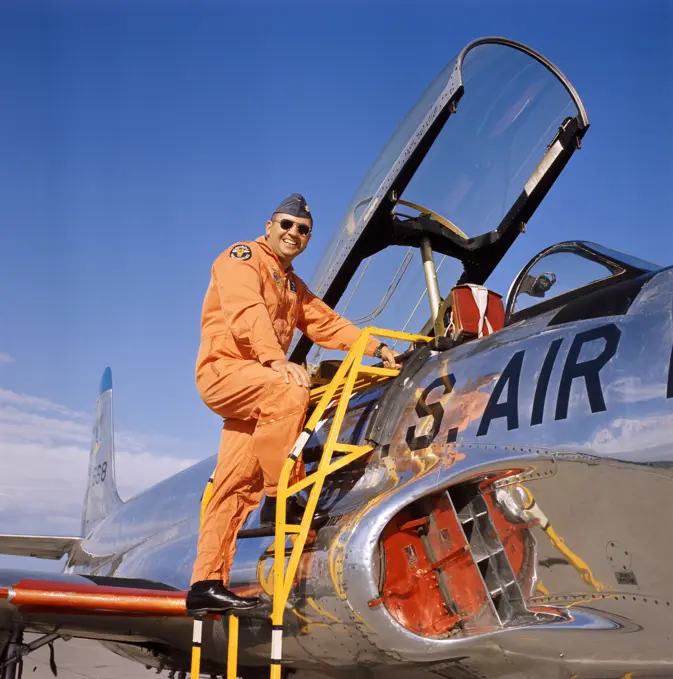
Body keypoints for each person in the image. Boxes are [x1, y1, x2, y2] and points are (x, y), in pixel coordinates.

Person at [186, 193, 397, 615]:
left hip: (257, 389)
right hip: (226, 371)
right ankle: (283, 494)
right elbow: (246, 311)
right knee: (290, 387)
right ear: (269, 226)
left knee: (233, 485)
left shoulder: (292, 286)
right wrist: (275, 359)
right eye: (286, 224)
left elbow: (326, 322)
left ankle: (204, 585)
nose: (293, 233)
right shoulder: (241, 258)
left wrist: (376, 346)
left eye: (302, 230)